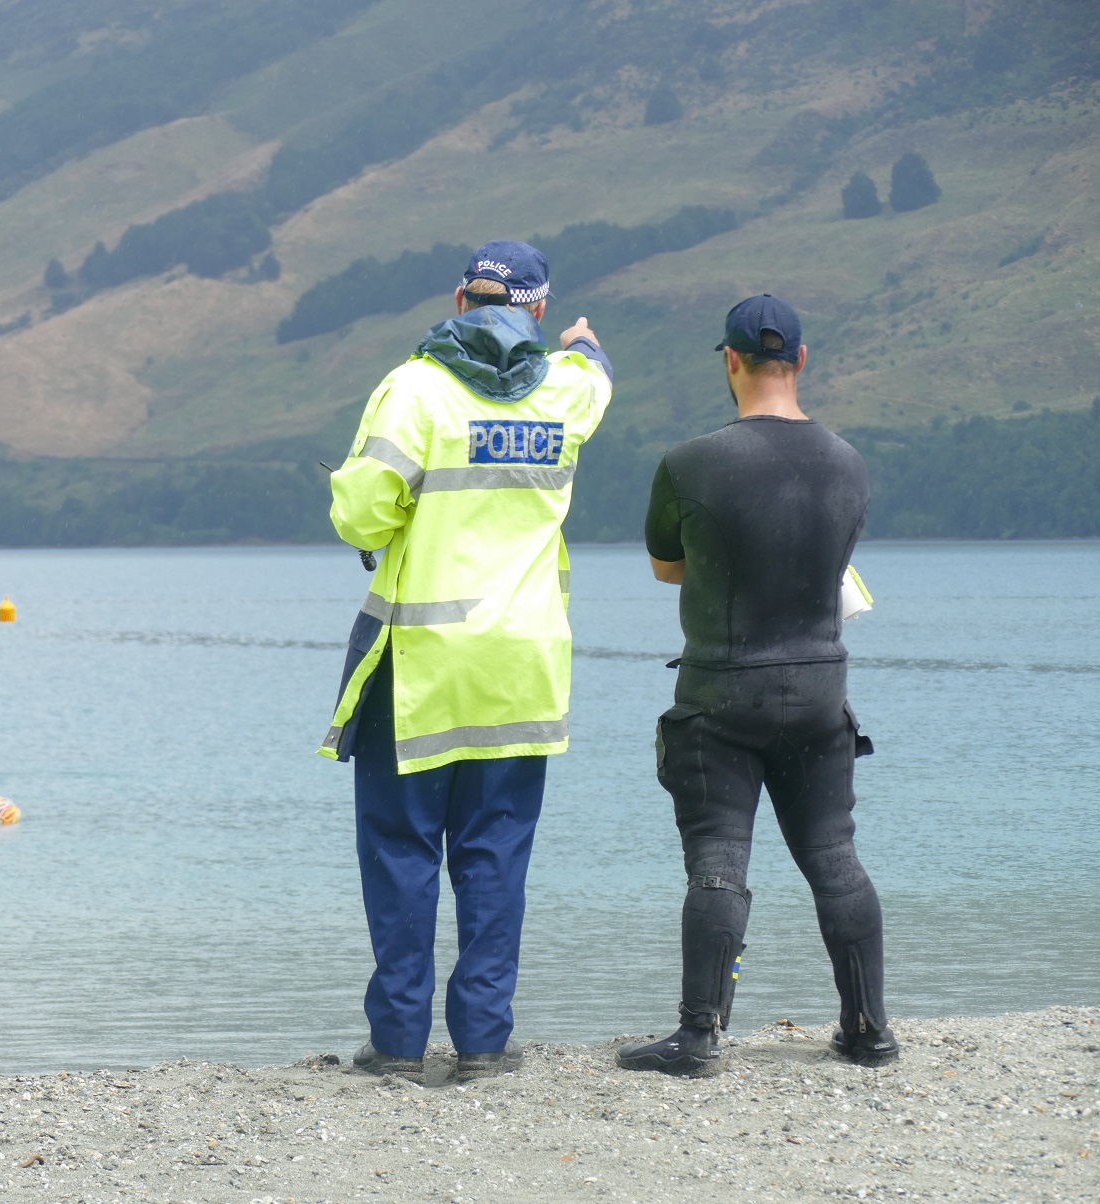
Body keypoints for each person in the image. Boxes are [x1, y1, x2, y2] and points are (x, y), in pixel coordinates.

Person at [319, 240, 614, 1083]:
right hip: (523, 666)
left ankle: (401, 1048)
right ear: (541, 311)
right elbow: (597, 380)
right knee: (495, 855)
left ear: (460, 301)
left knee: (402, 852)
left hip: (421, 663)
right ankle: (484, 1044)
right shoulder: (566, 390)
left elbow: (363, 516)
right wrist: (586, 346)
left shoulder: (414, 388)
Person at [618, 294, 897, 1078]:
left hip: (723, 691)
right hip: (818, 687)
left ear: (731, 362)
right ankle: (868, 1030)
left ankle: (700, 1037)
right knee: (835, 857)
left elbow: (667, 565)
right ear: (801, 361)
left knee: (718, 861)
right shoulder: (849, 461)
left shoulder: (691, 461)